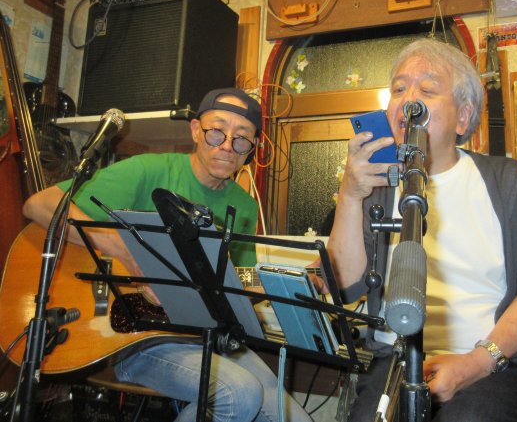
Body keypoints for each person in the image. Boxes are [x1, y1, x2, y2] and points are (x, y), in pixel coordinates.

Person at [23, 88, 312, 422]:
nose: (227, 145)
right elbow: (39, 205)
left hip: (200, 336)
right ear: (195, 130)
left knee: (292, 418)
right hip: (130, 336)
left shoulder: (244, 207)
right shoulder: (148, 170)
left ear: (252, 148)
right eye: (217, 131)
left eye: (241, 138)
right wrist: (130, 256)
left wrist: (293, 285)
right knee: (239, 393)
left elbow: (237, 286)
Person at [327, 39, 517, 422]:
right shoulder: (377, 188)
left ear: (463, 118)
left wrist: (477, 362)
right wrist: (350, 195)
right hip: (395, 360)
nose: (408, 100)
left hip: (495, 364)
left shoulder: (510, 182)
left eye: (427, 89)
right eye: (398, 89)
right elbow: (346, 285)